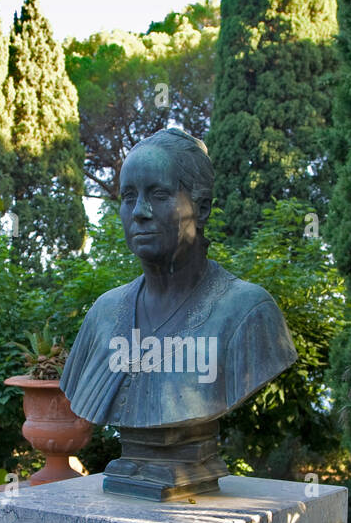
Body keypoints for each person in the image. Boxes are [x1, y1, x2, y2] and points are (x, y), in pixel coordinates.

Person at [60, 128, 296, 499]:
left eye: (158, 194)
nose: (139, 212)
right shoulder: (103, 314)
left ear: (200, 207)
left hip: (191, 474)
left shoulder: (249, 312)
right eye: (128, 197)